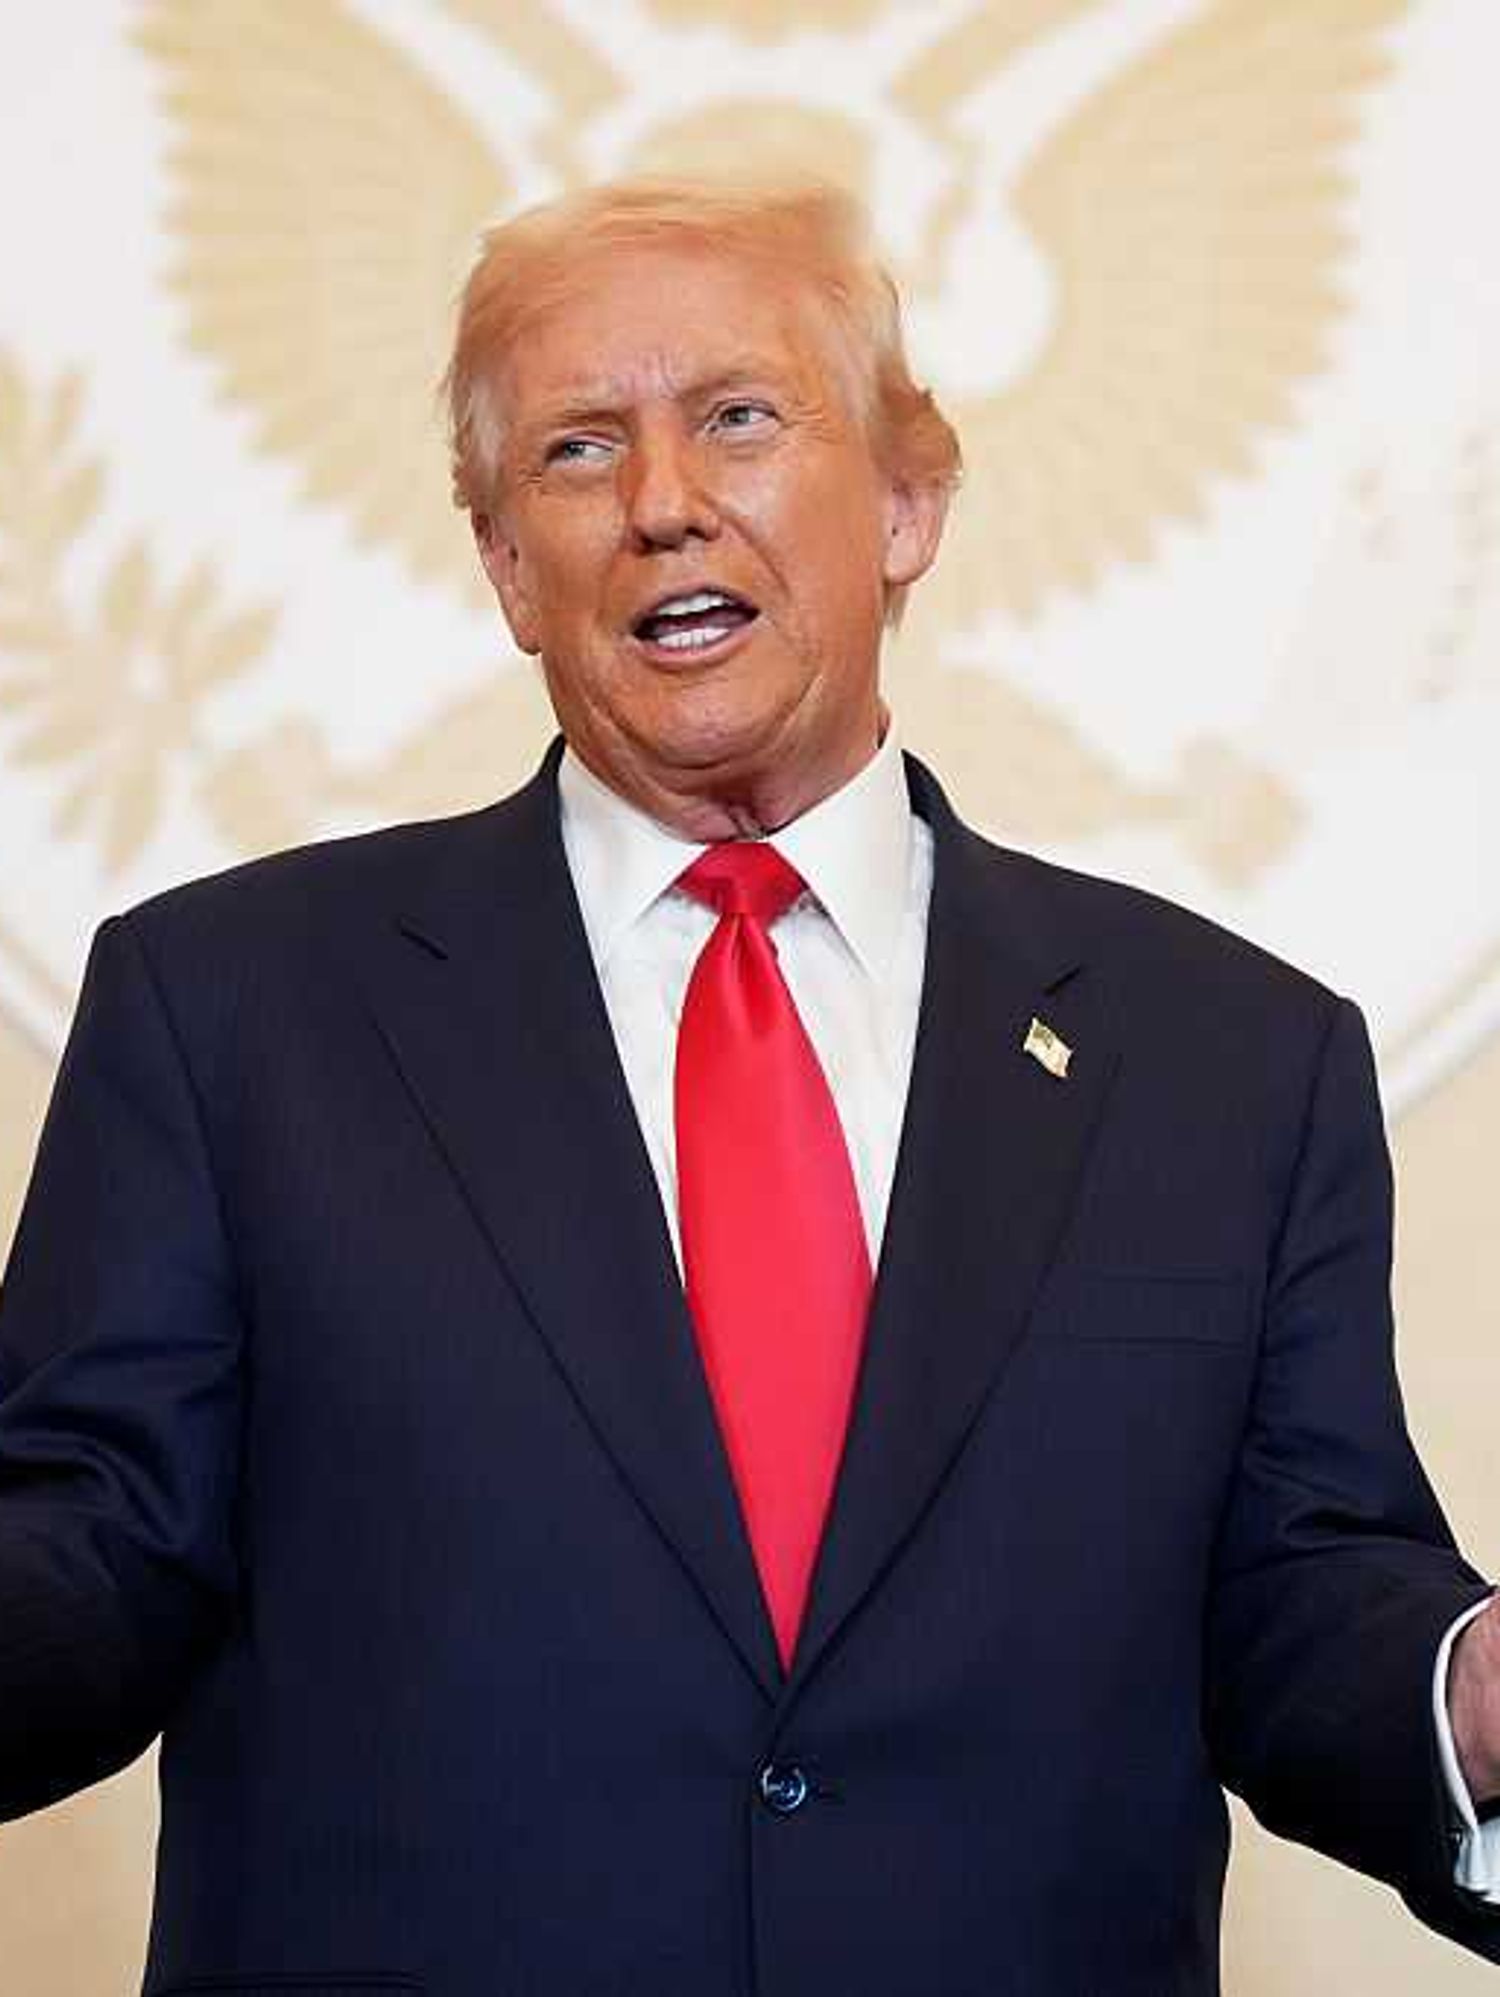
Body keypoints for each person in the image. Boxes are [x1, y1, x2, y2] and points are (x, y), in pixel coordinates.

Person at [0, 177, 1496, 1996]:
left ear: (911, 504)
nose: (661, 501)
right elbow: (93, 1547)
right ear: (506, 569)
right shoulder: (228, 1008)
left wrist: (1470, 1697)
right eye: (576, 448)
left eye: (737, 417)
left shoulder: (1234, 1058)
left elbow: (1302, 1592)